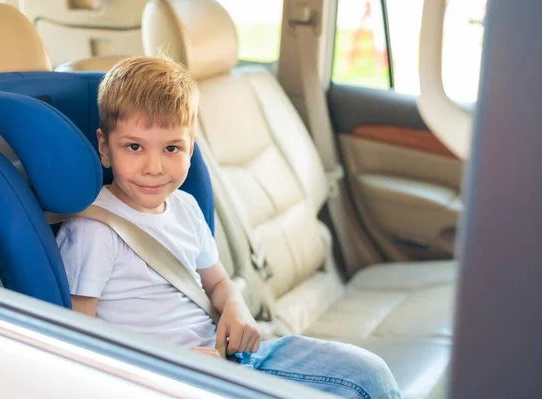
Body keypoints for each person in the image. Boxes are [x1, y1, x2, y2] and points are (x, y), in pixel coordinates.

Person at [56, 56, 400, 398]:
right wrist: (169, 366)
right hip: (167, 378)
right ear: (104, 148)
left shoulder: (185, 207)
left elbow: (217, 282)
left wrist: (236, 309)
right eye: (134, 147)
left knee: (369, 374)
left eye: (172, 148)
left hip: (231, 357)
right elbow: (80, 341)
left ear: (191, 149)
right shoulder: (95, 231)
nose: (154, 167)